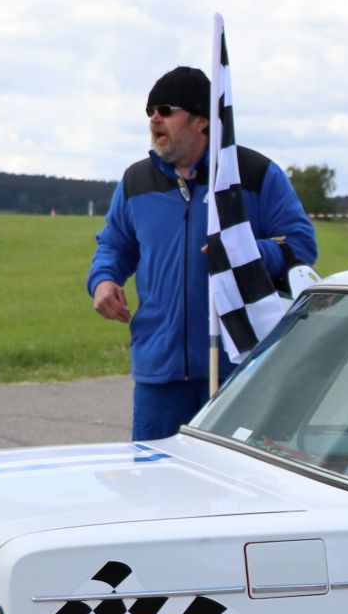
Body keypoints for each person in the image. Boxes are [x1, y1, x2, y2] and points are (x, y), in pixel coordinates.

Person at [87, 66, 318, 440]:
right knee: (154, 472)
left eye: (165, 110)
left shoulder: (255, 174)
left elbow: (301, 246)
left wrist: (243, 251)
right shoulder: (135, 181)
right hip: (159, 371)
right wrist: (103, 280)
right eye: (149, 112)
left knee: (234, 474)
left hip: (238, 367)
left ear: (202, 121)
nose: (154, 119)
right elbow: (115, 244)